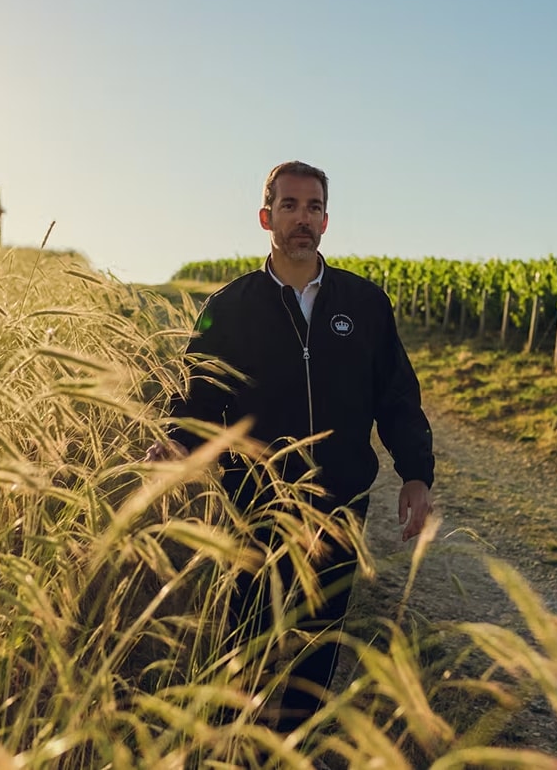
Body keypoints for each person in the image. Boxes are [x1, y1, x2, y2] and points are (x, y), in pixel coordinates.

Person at [148, 160, 435, 733]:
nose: (302, 218)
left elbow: (397, 396)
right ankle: (237, 745)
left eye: (313, 207)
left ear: (327, 220)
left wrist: (416, 474)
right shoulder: (227, 309)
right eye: (289, 206)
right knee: (245, 642)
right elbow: (199, 398)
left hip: (339, 506)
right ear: (265, 217)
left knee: (317, 646)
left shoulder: (366, 304)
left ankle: (292, 744)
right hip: (254, 505)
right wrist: (176, 447)